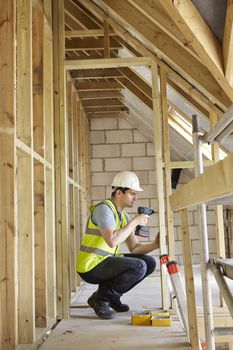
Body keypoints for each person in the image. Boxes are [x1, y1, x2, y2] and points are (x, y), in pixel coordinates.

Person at [76, 170, 160, 319]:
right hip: (90, 266)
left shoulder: (123, 216)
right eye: (132, 193)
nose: (136, 197)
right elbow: (112, 240)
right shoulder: (104, 209)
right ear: (119, 193)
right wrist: (135, 222)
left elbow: (135, 248)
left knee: (149, 262)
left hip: (105, 262)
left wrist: (155, 244)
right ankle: (100, 299)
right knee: (139, 266)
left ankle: (112, 297)